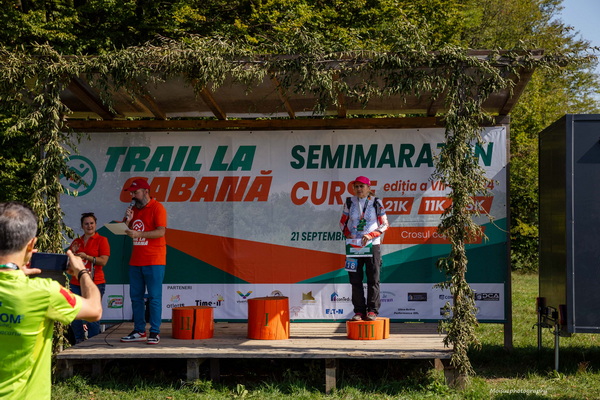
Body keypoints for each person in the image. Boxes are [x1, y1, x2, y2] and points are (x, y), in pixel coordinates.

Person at [0, 202, 102, 400]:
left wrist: (13, 272)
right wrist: (82, 271)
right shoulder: (44, 292)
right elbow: (94, 310)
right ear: (31, 244)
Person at [120, 178, 167, 345]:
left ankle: (155, 331)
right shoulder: (133, 209)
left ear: (146, 191)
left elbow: (160, 232)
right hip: (136, 261)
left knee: (154, 297)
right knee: (136, 297)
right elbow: (126, 231)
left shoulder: (157, 207)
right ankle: (139, 330)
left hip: (154, 260)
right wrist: (127, 221)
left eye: (135, 192)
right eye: (132, 193)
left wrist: (139, 234)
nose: (133, 195)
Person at [339, 176, 389, 322]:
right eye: (356, 186)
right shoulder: (349, 202)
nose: (359, 189)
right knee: (355, 279)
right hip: (354, 246)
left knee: (373, 279)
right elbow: (342, 223)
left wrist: (371, 235)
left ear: (368, 188)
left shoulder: (376, 202)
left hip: (372, 245)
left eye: (362, 186)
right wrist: (348, 234)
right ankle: (359, 311)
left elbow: (385, 224)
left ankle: (372, 310)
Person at [68, 212, 110, 343]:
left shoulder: (102, 240)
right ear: (82, 226)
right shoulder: (76, 242)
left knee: (92, 315)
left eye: (91, 223)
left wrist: (87, 257)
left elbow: (103, 261)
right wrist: (72, 254)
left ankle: (93, 343)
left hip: (95, 282)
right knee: (75, 314)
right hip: (76, 283)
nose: (89, 226)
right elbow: (69, 264)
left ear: (95, 224)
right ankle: (79, 341)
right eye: (86, 224)